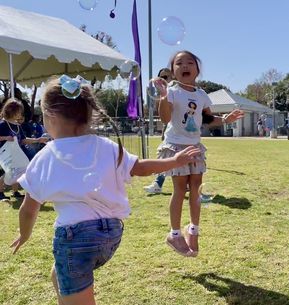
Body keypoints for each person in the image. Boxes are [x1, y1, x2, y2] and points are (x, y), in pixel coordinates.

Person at [9, 75, 201, 305]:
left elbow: (29, 209)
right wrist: (174, 161)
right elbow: (139, 167)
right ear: (90, 116)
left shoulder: (46, 155)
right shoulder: (106, 146)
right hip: (110, 236)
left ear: (49, 117)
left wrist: (25, 234)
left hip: (75, 240)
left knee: (72, 277)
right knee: (58, 274)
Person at [157, 50, 244, 257]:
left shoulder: (201, 95)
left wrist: (225, 119)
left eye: (190, 62)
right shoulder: (171, 91)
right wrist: (162, 97)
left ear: (197, 69)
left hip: (195, 145)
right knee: (180, 189)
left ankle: (193, 231)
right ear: (173, 71)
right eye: (179, 63)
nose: (185, 66)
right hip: (176, 146)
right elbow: (164, 118)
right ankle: (175, 234)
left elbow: (206, 119)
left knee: (196, 189)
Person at [0, 98, 48, 200]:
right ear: (11, 111)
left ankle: (15, 192)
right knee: (9, 172)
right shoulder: (3, 125)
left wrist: (38, 140)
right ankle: (0, 192)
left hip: (16, 152)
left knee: (18, 171)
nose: (21, 114)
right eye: (19, 111)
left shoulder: (17, 125)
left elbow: (23, 140)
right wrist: (5, 138)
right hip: (5, 154)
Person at [144, 68, 173, 194]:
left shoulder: (179, 90)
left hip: (182, 132)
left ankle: (193, 187)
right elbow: (163, 115)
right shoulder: (164, 93)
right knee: (165, 157)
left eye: (166, 77)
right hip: (171, 129)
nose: (164, 80)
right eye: (161, 78)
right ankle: (157, 184)